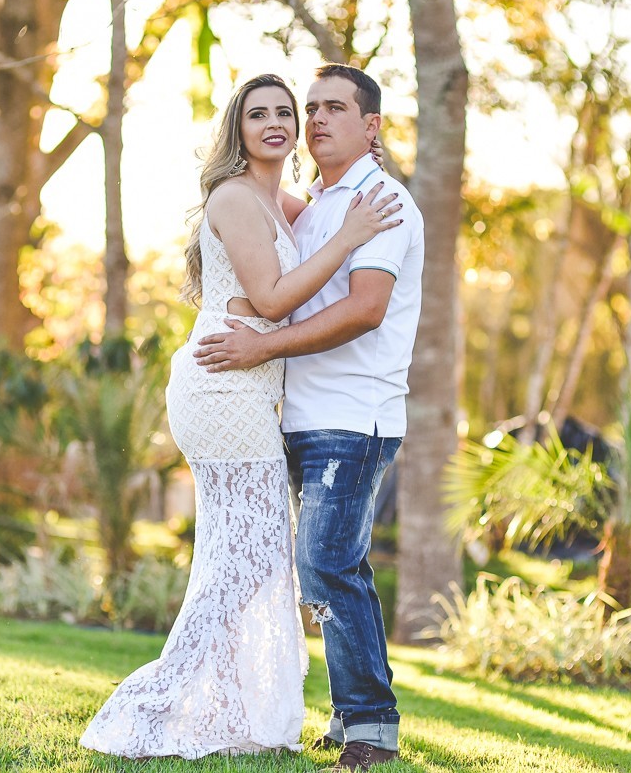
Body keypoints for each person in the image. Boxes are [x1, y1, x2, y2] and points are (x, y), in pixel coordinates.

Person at [78, 73, 401, 760]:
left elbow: (323, 212)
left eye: (288, 112)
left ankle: (226, 704)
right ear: (238, 129)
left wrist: (352, 186)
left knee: (249, 559)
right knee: (245, 560)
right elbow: (275, 298)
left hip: (250, 392)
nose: (278, 122)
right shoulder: (234, 195)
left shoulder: (278, 200)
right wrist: (350, 236)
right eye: (260, 114)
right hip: (224, 388)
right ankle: (157, 702)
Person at [194, 64, 424, 772]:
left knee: (327, 563)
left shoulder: (381, 201)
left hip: (354, 416)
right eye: (312, 107)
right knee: (326, 567)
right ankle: (348, 713)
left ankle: (372, 727)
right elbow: (252, 235)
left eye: (335, 108)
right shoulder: (318, 204)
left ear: (372, 125)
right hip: (298, 414)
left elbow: (365, 309)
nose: (316, 119)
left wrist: (263, 345)